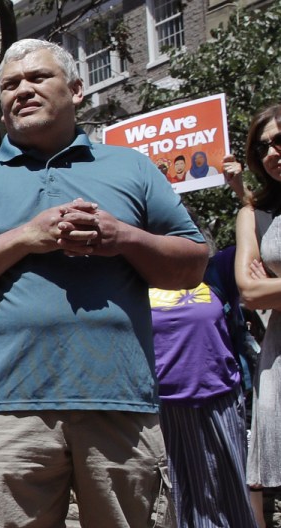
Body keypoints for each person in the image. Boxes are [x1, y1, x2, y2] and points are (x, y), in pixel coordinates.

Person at [0, 39, 208, 527]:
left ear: (76, 89)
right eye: (9, 85)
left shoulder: (129, 166)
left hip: (120, 406)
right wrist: (26, 237)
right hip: (7, 413)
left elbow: (191, 264)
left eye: (36, 79)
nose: (21, 90)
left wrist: (123, 237)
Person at [151, 206, 255, 527]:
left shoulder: (218, 269)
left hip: (220, 403)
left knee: (229, 499)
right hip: (163, 413)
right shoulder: (136, 280)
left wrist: (243, 194)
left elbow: (263, 240)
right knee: (177, 504)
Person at [234, 104, 281, 528]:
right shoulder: (254, 215)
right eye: (262, 146)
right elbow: (249, 291)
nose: (271, 153)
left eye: (279, 140)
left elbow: (266, 289)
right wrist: (262, 289)